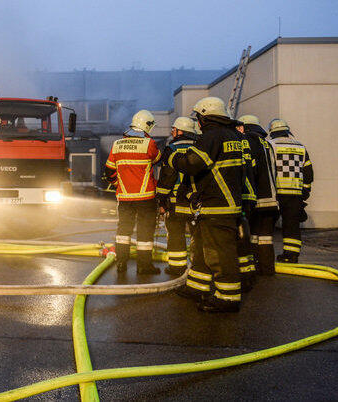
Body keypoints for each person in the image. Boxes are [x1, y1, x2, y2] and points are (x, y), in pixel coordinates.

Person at [169, 97, 246, 312]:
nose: (198, 122)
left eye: (199, 117)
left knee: (220, 252)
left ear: (205, 116)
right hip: (222, 203)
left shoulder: (211, 137)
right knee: (202, 247)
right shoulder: (232, 136)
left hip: (217, 205)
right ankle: (197, 286)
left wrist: (173, 158)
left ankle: (228, 298)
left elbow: (192, 163)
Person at [104, 109, 161, 274]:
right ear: (147, 126)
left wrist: (118, 184)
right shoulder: (149, 144)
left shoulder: (117, 145)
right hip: (146, 198)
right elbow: (157, 159)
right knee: (145, 231)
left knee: (123, 231)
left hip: (124, 197)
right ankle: (144, 267)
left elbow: (109, 172)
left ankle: (121, 264)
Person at [156, 116, 199, 275]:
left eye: (174, 129)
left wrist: (161, 200)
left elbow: (167, 177)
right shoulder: (199, 148)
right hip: (195, 202)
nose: (172, 132)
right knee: (197, 236)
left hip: (175, 202)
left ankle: (176, 267)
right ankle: (197, 266)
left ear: (181, 131)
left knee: (175, 234)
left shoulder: (171, 149)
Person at [237, 115, 280, 275]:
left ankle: (252, 270)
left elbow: (249, 169)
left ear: (243, 127)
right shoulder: (267, 144)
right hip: (272, 199)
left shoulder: (247, 141)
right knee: (266, 238)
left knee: (251, 236)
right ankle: (268, 269)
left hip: (256, 199)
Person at [268, 118, 313, 263]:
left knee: (267, 225)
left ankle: (264, 256)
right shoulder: (301, 146)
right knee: (292, 225)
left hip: (276, 192)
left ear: (272, 132)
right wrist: (305, 191)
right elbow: (308, 172)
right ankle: (292, 255)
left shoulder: (270, 145)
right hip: (295, 194)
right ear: (287, 131)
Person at [235, 120, 258, 290]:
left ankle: (244, 275)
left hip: (239, 196)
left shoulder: (235, 142)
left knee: (239, 237)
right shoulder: (249, 143)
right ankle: (248, 272)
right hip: (248, 194)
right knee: (245, 236)